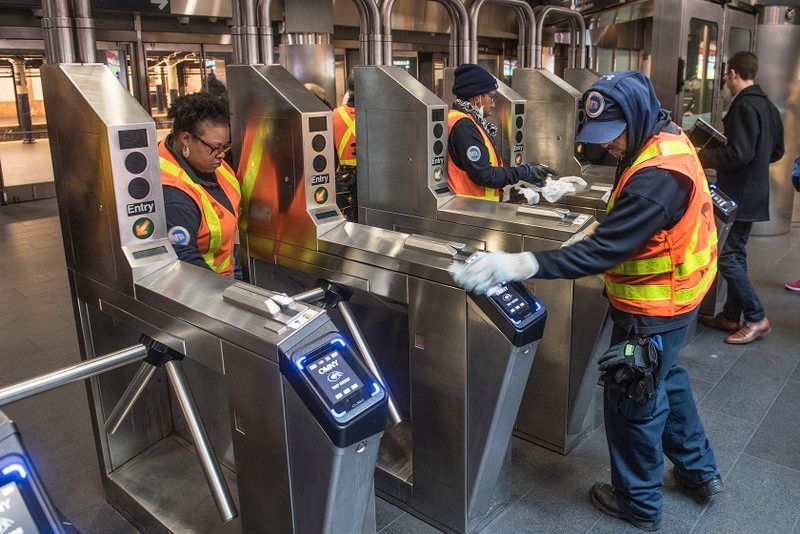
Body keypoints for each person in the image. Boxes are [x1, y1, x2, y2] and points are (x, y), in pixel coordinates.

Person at [452, 71, 723, 531]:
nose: (610, 146)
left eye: (612, 135)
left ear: (634, 118)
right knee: (668, 379)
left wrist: (522, 265)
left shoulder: (657, 177)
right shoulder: (663, 140)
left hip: (652, 309)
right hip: (681, 300)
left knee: (633, 401)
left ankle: (637, 503)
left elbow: (607, 248)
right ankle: (700, 473)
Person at [696, 51, 784, 343]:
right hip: (755, 191)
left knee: (728, 259)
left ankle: (756, 318)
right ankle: (731, 317)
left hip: (740, 194)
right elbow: (776, 151)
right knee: (737, 254)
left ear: (733, 74)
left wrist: (703, 154)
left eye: (726, 77)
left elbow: (739, 154)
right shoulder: (768, 106)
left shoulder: (744, 106)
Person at [160, 92, 242, 279]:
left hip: (229, 267)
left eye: (225, 147)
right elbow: (185, 261)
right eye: (215, 147)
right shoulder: (173, 194)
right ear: (186, 139)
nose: (221, 154)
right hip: (206, 283)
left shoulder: (209, 160)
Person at [447, 63, 552, 201]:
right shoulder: (464, 127)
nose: (493, 104)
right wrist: (525, 171)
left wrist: (506, 193)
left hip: (476, 207)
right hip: (468, 210)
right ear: (477, 98)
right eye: (492, 97)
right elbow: (486, 175)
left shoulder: (470, 122)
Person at [332, 74, 358, 220]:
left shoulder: (334, 114)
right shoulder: (374, 114)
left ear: (348, 90)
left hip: (343, 181)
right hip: (371, 182)